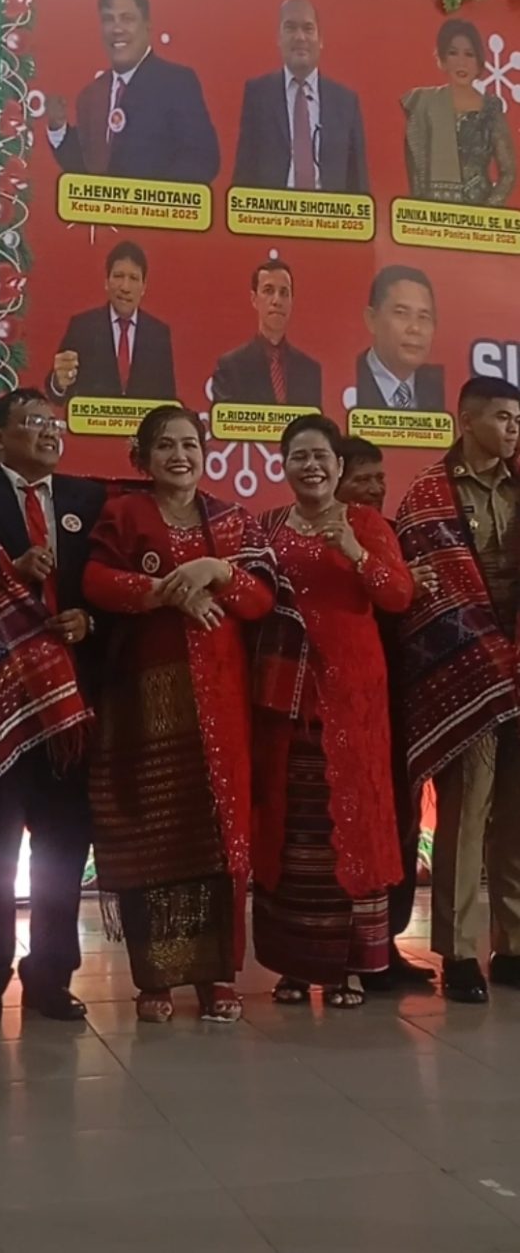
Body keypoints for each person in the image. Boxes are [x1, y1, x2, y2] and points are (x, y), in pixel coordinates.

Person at [82, 405, 275, 1024]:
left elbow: (260, 599)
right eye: (165, 445)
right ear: (143, 457)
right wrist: (166, 593)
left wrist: (216, 571)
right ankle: (156, 980)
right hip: (147, 701)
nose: (180, 456)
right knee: (158, 833)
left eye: (190, 444)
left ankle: (217, 978)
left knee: (219, 835)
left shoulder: (232, 519)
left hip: (222, 704)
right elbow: (95, 580)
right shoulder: (125, 513)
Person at [0, 388, 106, 1026]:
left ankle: (51, 976)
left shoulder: (86, 500)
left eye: (53, 421)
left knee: (63, 844)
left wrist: (89, 619)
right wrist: (8, 571)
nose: (48, 431)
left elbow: (107, 582)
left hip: (69, 705)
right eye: (32, 422)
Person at [252, 415, 412, 1008]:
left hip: (353, 698)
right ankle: (295, 967)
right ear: (283, 466)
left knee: (350, 824)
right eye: (299, 457)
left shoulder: (366, 524)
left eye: (321, 456)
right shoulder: (268, 527)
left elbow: (398, 595)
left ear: (339, 466)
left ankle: (348, 969)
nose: (311, 466)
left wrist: (354, 552)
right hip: (286, 700)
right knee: (296, 828)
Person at [396, 376, 520, 1004]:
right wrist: (485, 652)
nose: (512, 429)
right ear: (466, 421)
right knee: (465, 817)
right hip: (468, 673)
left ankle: (513, 945)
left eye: (517, 420)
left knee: (516, 818)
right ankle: (459, 952)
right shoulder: (426, 496)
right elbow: (422, 594)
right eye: (501, 418)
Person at [337, 437, 436, 989]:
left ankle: (384, 945)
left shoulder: (398, 535)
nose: (375, 488)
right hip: (343, 703)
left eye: (379, 478)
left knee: (397, 820)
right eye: (362, 479)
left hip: (398, 703)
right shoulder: (319, 539)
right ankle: (327, 949)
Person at [46, 0, 220, 183]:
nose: (117, 29)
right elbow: (85, 171)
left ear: (147, 25)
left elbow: (202, 160)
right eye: (108, 19)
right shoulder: (90, 96)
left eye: (127, 18)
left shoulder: (176, 83)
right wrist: (58, 128)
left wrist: (147, 197)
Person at [232, 0, 369, 194]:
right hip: (273, 209)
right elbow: (244, 173)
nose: (300, 37)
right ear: (278, 38)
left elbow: (358, 182)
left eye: (308, 28)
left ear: (320, 40)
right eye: (290, 28)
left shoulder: (346, 102)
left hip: (329, 210)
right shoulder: (258, 95)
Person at [401, 19, 516, 207]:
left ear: (479, 62)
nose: (461, 62)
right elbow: (416, 168)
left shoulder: (491, 109)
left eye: (469, 54)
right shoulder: (423, 103)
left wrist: (487, 211)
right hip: (432, 213)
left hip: (478, 211)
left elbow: (508, 172)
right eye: (453, 53)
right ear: (442, 60)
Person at [47, 241, 176, 404]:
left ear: (144, 287)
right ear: (106, 282)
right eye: (118, 276)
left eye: (134, 278)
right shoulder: (83, 327)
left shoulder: (158, 334)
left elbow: (168, 400)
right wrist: (58, 383)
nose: (125, 287)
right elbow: (57, 395)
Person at [211, 259, 322, 408]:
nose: (277, 301)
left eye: (284, 293)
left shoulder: (309, 370)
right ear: (254, 299)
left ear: (291, 301)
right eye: (268, 291)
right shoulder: (231, 367)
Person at [355, 265, 445, 412]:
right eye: (401, 313)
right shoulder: (349, 379)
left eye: (423, 317)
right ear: (371, 319)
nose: (415, 328)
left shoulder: (441, 388)